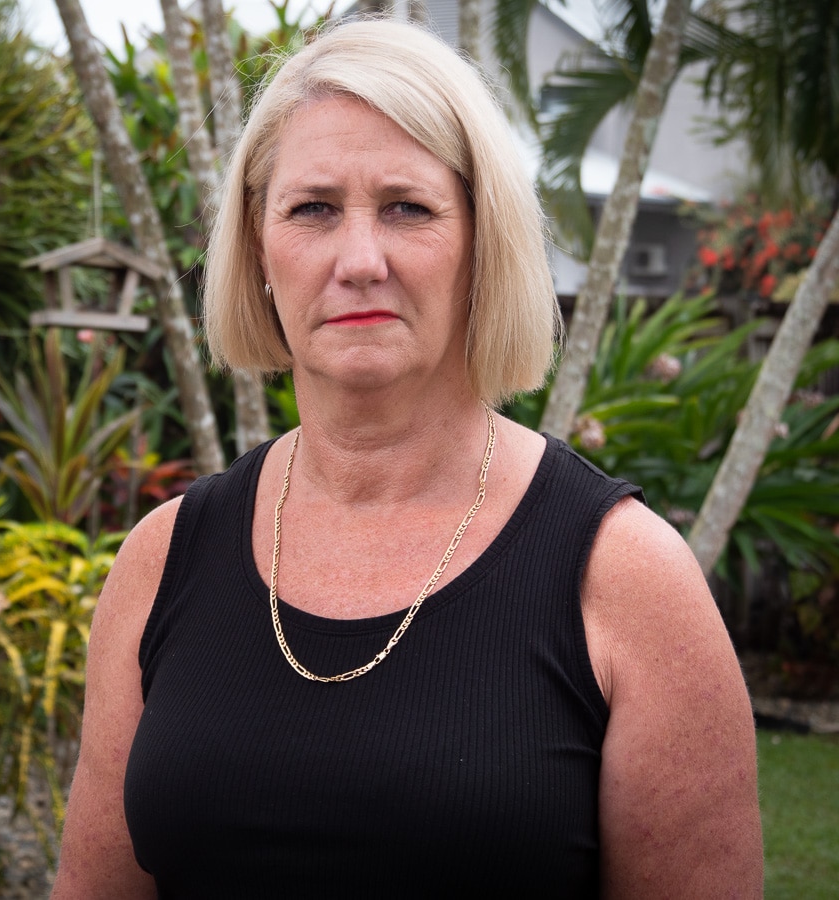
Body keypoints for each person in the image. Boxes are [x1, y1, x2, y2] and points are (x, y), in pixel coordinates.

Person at [51, 17, 762, 899]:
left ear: (480, 245)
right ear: (260, 251)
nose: (358, 260)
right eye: (312, 209)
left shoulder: (627, 579)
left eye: (408, 207)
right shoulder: (161, 561)